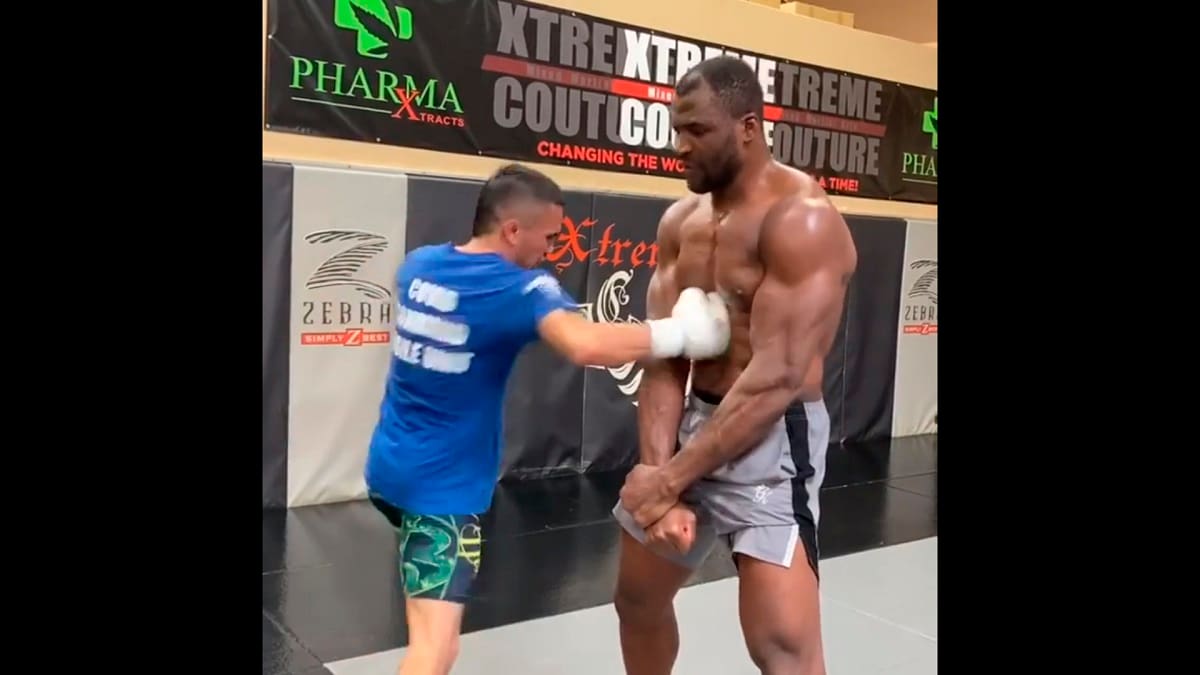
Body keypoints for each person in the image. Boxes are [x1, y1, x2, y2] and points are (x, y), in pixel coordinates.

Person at [363, 162, 731, 675]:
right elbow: (584, 345)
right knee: (435, 648)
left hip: (387, 472)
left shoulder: (419, 266)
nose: (552, 250)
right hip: (439, 495)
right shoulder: (520, 289)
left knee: (422, 612)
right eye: (550, 237)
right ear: (513, 230)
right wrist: (684, 335)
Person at [611, 56, 858, 675]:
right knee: (637, 600)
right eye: (677, 129)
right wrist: (657, 478)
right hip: (695, 422)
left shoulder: (801, 221)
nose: (680, 147)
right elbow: (666, 357)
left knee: (780, 646)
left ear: (748, 127)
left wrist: (667, 483)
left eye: (698, 131)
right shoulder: (680, 224)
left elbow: (775, 377)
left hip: (775, 440)